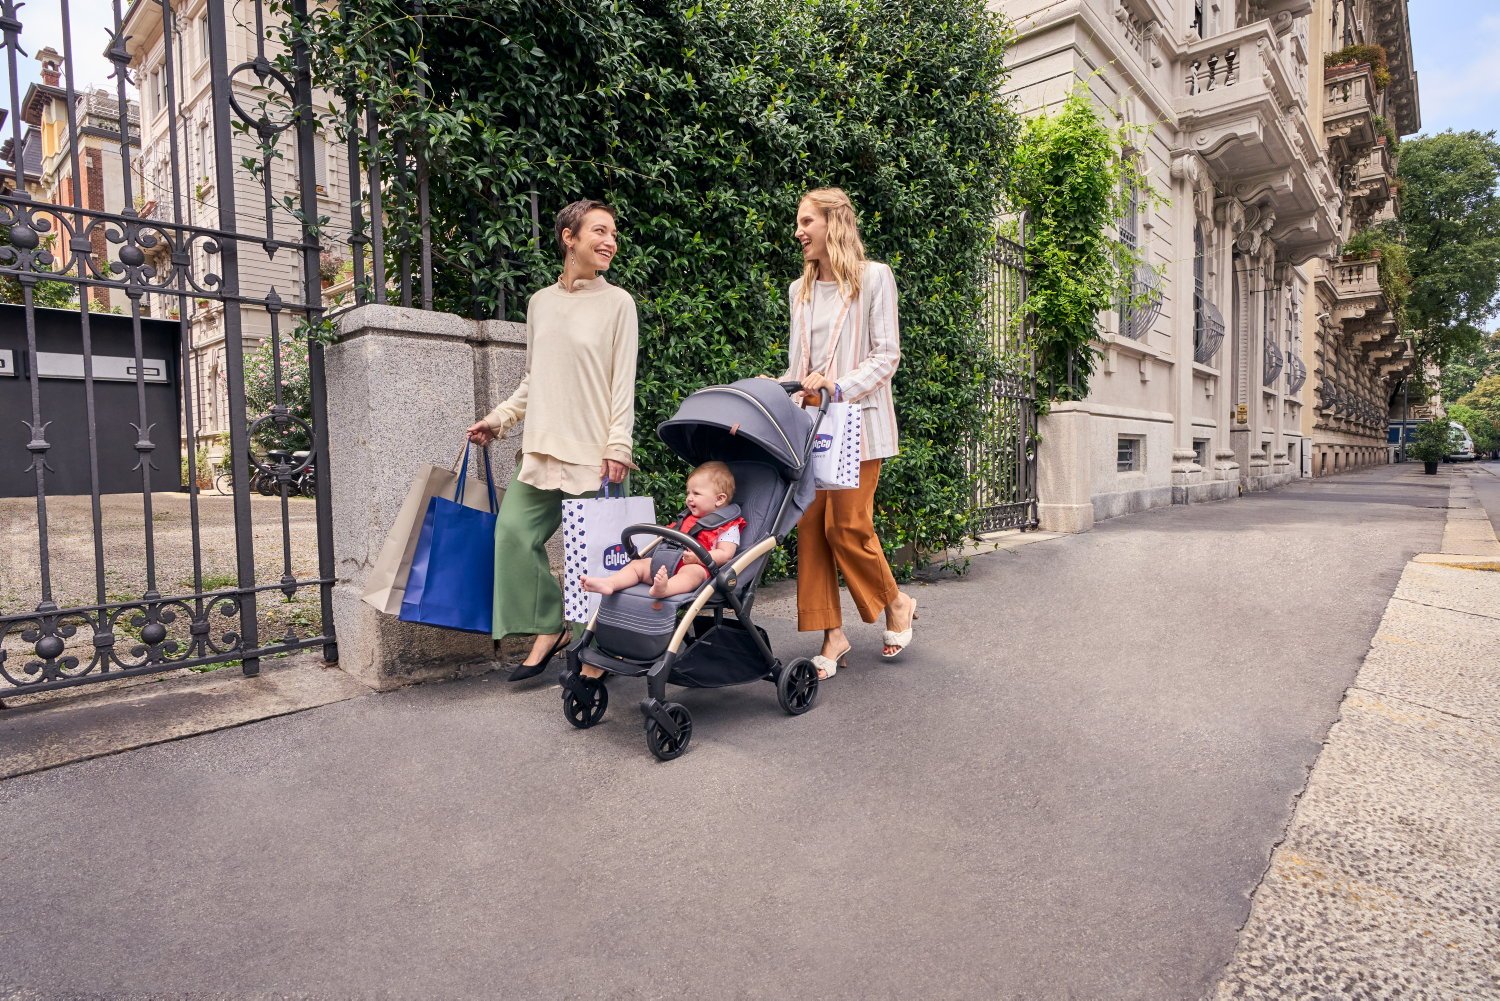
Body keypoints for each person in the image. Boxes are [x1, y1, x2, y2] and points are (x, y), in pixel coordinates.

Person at [466, 198, 638, 681]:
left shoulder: (618, 303)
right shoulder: (540, 303)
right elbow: (534, 378)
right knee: (512, 535)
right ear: (569, 237)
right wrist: (499, 419)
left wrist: (618, 445)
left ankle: (594, 651)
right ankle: (550, 627)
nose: (610, 242)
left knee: (592, 556)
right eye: (599, 231)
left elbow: (622, 383)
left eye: (613, 234)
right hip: (542, 448)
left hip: (594, 453)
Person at [780, 187, 917, 680]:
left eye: (806, 222)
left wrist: (837, 387)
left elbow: (887, 355)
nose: (798, 232)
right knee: (811, 531)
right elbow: (800, 366)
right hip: (812, 429)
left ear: (833, 223)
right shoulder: (799, 291)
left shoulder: (874, 277)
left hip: (858, 425)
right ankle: (831, 635)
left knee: (846, 525)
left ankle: (895, 601)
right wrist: (778, 387)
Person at [580, 461, 746, 599]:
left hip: (696, 566)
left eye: (696, 493)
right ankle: (610, 583)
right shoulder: (686, 518)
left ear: (719, 499)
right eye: (688, 492)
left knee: (691, 573)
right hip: (667, 562)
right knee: (638, 565)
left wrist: (698, 558)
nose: (689, 498)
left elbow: (726, 554)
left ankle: (665, 589)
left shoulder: (728, 525)